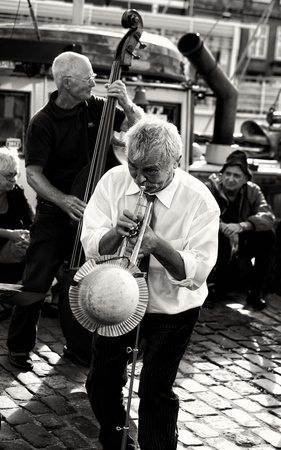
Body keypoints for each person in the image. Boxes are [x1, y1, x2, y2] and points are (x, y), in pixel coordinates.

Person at [80, 116, 220, 450]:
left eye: (151, 171)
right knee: (100, 382)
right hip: (117, 300)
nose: (141, 179)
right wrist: (116, 232)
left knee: (155, 388)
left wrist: (158, 246)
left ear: (177, 162)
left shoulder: (200, 200)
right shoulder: (113, 181)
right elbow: (90, 241)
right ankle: (116, 440)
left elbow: (198, 272)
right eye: (133, 168)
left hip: (172, 306)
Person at [6, 50, 145, 371]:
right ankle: (18, 345)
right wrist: (64, 200)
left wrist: (125, 102)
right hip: (57, 211)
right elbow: (33, 175)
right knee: (36, 281)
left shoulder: (98, 107)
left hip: (96, 211)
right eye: (89, 79)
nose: (96, 82)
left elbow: (142, 132)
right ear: (67, 83)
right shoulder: (42, 122)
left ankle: (81, 346)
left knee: (97, 281)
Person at [205, 149, 276, 310]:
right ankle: (208, 289)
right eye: (227, 174)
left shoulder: (253, 191)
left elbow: (268, 216)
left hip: (240, 243)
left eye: (237, 176)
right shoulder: (210, 188)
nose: (230, 179)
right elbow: (201, 214)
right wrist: (223, 227)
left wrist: (242, 227)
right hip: (217, 242)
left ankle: (254, 293)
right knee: (215, 236)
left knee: (267, 236)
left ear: (245, 179)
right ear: (221, 175)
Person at [0, 147, 34, 320]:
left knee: (43, 244)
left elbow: (32, 220)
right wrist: (8, 234)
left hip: (15, 249)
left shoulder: (16, 193)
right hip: (4, 249)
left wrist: (28, 236)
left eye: (15, 174)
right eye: (8, 175)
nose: (13, 179)